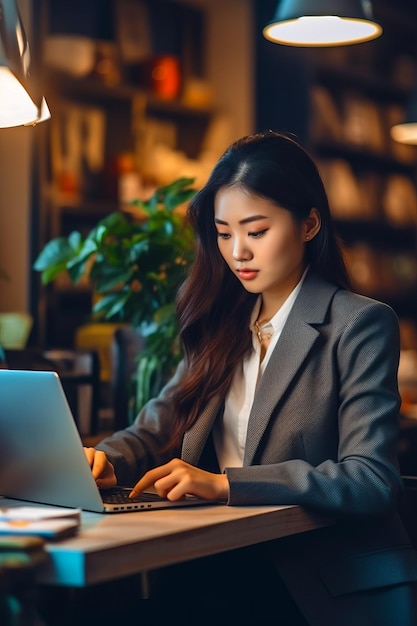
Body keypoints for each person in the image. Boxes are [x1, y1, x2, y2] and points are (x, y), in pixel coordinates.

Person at [85, 131, 417, 625]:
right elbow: (156, 428)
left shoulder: (360, 324)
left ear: (308, 224)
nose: (238, 250)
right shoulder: (218, 322)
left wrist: (226, 485)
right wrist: (103, 460)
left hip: (314, 578)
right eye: (223, 233)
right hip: (216, 562)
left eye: (256, 231)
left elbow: (369, 480)